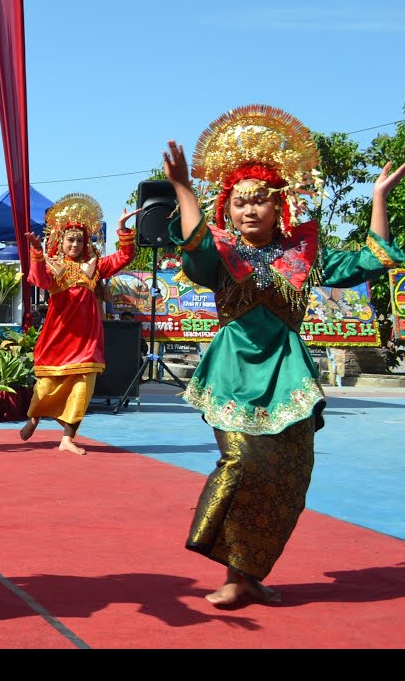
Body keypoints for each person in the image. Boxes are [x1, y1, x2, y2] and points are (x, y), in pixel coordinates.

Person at [163, 105, 404, 608]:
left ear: (280, 208)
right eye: (238, 203)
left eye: (260, 202)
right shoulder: (220, 255)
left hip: (289, 374)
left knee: (288, 477)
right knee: (242, 463)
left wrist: (378, 197)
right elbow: (193, 241)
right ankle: (229, 569)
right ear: (226, 209)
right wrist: (185, 188)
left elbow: (373, 256)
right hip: (232, 373)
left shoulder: (307, 255)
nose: (248, 211)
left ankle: (247, 574)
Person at [20, 194, 139, 455]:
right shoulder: (53, 266)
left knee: (83, 386)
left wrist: (123, 228)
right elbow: (38, 280)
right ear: (60, 240)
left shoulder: (94, 267)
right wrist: (37, 253)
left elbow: (124, 257)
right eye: (70, 239)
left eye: (80, 239)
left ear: (87, 242)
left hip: (86, 340)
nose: (75, 244)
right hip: (58, 337)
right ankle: (34, 417)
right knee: (47, 385)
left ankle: (67, 437)